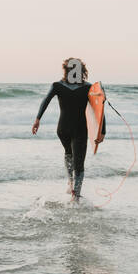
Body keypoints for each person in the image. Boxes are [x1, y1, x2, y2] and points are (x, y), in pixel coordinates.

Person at [31, 57, 104, 202]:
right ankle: (75, 196)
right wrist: (102, 131)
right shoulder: (88, 87)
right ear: (81, 70)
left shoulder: (57, 85)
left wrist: (37, 119)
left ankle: (70, 182)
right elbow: (99, 110)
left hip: (62, 129)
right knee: (79, 164)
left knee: (68, 153)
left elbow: (45, 100)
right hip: (79, 130)